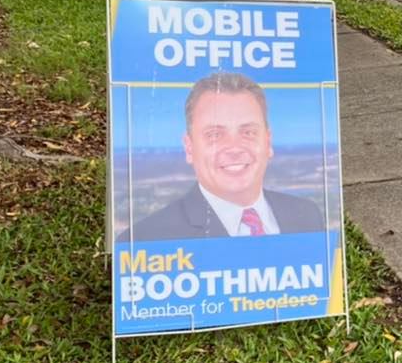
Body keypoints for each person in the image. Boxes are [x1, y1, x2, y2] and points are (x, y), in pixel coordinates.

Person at [126, 71, 324, 240]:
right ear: (189, 148)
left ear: (268, 142)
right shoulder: (145, 239)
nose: (234, 147)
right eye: (214, 135)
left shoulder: (307, 215)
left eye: (248, 132)